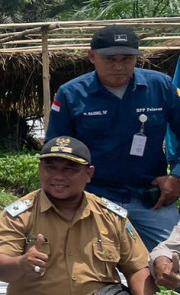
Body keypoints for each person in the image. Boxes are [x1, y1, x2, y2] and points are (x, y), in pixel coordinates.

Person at [0, 136, 154, 295]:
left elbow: (137, 268)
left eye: (70, 169)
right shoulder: (19, 214)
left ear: (89, 173)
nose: (58, 176)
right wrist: (21, 263)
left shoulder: (110, 216)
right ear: (39, 168)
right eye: (50, 167)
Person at [46, 25, 180, 250]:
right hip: (94, 198)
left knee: (173, 262)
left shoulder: (160, 86)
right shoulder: (71, 94)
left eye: (127, 58)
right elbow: (54, 152)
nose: (119, 66)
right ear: (92, 56)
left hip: (150, 199)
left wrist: (177, 177)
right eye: (109, 59)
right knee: (86, 265)